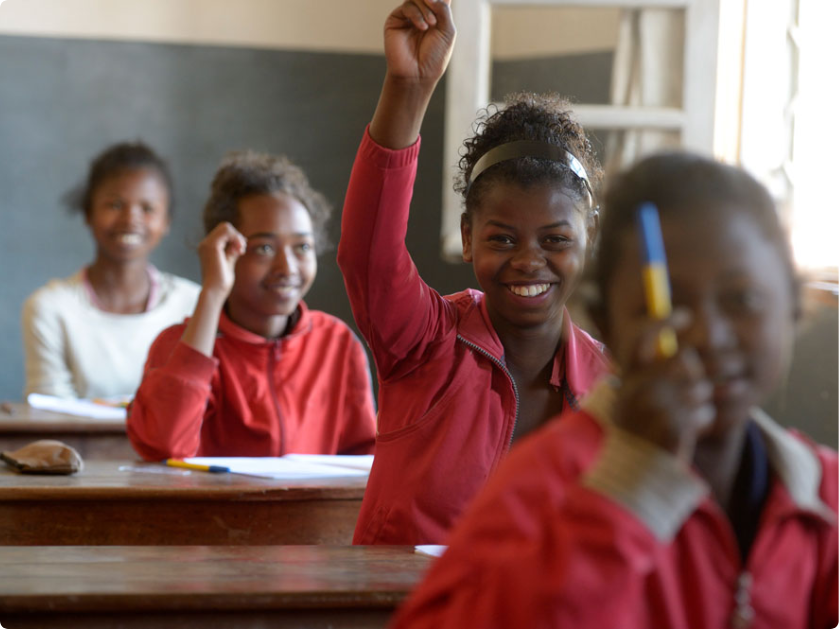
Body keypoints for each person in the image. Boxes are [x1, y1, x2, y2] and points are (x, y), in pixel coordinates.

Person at [389, 152, 839, 628]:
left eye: (741, 300)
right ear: (607, 326)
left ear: (794, 307)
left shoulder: (824, 496)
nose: (708, 334)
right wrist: (627, 490)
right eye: (667, 304)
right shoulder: (543, 485)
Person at [338, 0, 609, 545]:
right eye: (502, 238)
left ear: (589, 238)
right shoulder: (424, 343)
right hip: (403, 597)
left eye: (555, 240)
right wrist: (408, 88)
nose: (528, 260)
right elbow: (370, 255)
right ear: (467, 236)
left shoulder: (610, 386)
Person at [128, 150, 377, 460]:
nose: (287, 267)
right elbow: (165, 445)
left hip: (311, 496)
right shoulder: (177, 346)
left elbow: (362, 458)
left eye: (302, 246)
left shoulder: (336, 343)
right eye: (264, 248)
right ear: (225, 252)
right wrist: (212, 292)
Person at [21, 141, 200, 400]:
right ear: (88, 213)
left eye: (148, 208)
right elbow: (50, 412)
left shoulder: (194, 305)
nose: (130, 219)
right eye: (115, 205)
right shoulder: (50, 309)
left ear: (166, 222)